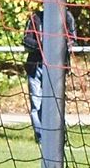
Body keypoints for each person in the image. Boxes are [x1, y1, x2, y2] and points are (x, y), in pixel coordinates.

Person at [22, 8, 77, 143]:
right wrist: (43, 45)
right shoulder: (35, 18)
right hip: (36, 66)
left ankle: (58, 136)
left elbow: (72, 39)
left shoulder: (66, 16)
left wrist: (57, 45)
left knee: (56, 102)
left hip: (56, 68)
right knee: (36, 103)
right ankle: (41, 138)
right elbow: (26, 40)